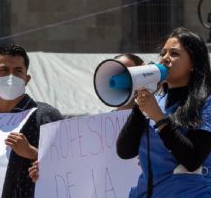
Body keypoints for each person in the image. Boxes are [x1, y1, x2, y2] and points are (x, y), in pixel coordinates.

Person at [116, 27, 211, 198]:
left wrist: (159, 119)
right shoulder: (155, 102)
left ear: (193, 63)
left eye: (174, 53)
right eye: (163, 53)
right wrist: (139, 107)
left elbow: (192, 160)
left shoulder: (209, 105)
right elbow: (125, 151)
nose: (165, 58)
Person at [28, 53, 144, 182]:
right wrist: (47, 171)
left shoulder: (156, 118)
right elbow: (79, 166)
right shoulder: (97, 126)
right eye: (117, 73)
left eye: (128, 73)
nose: (122, 79)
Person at [0, 44, 63, 198]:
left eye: (18, 71)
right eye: (4, 70)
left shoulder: (45, 115)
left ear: (26, 79)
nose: (11, 77)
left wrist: (33, 153)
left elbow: (69, 164)